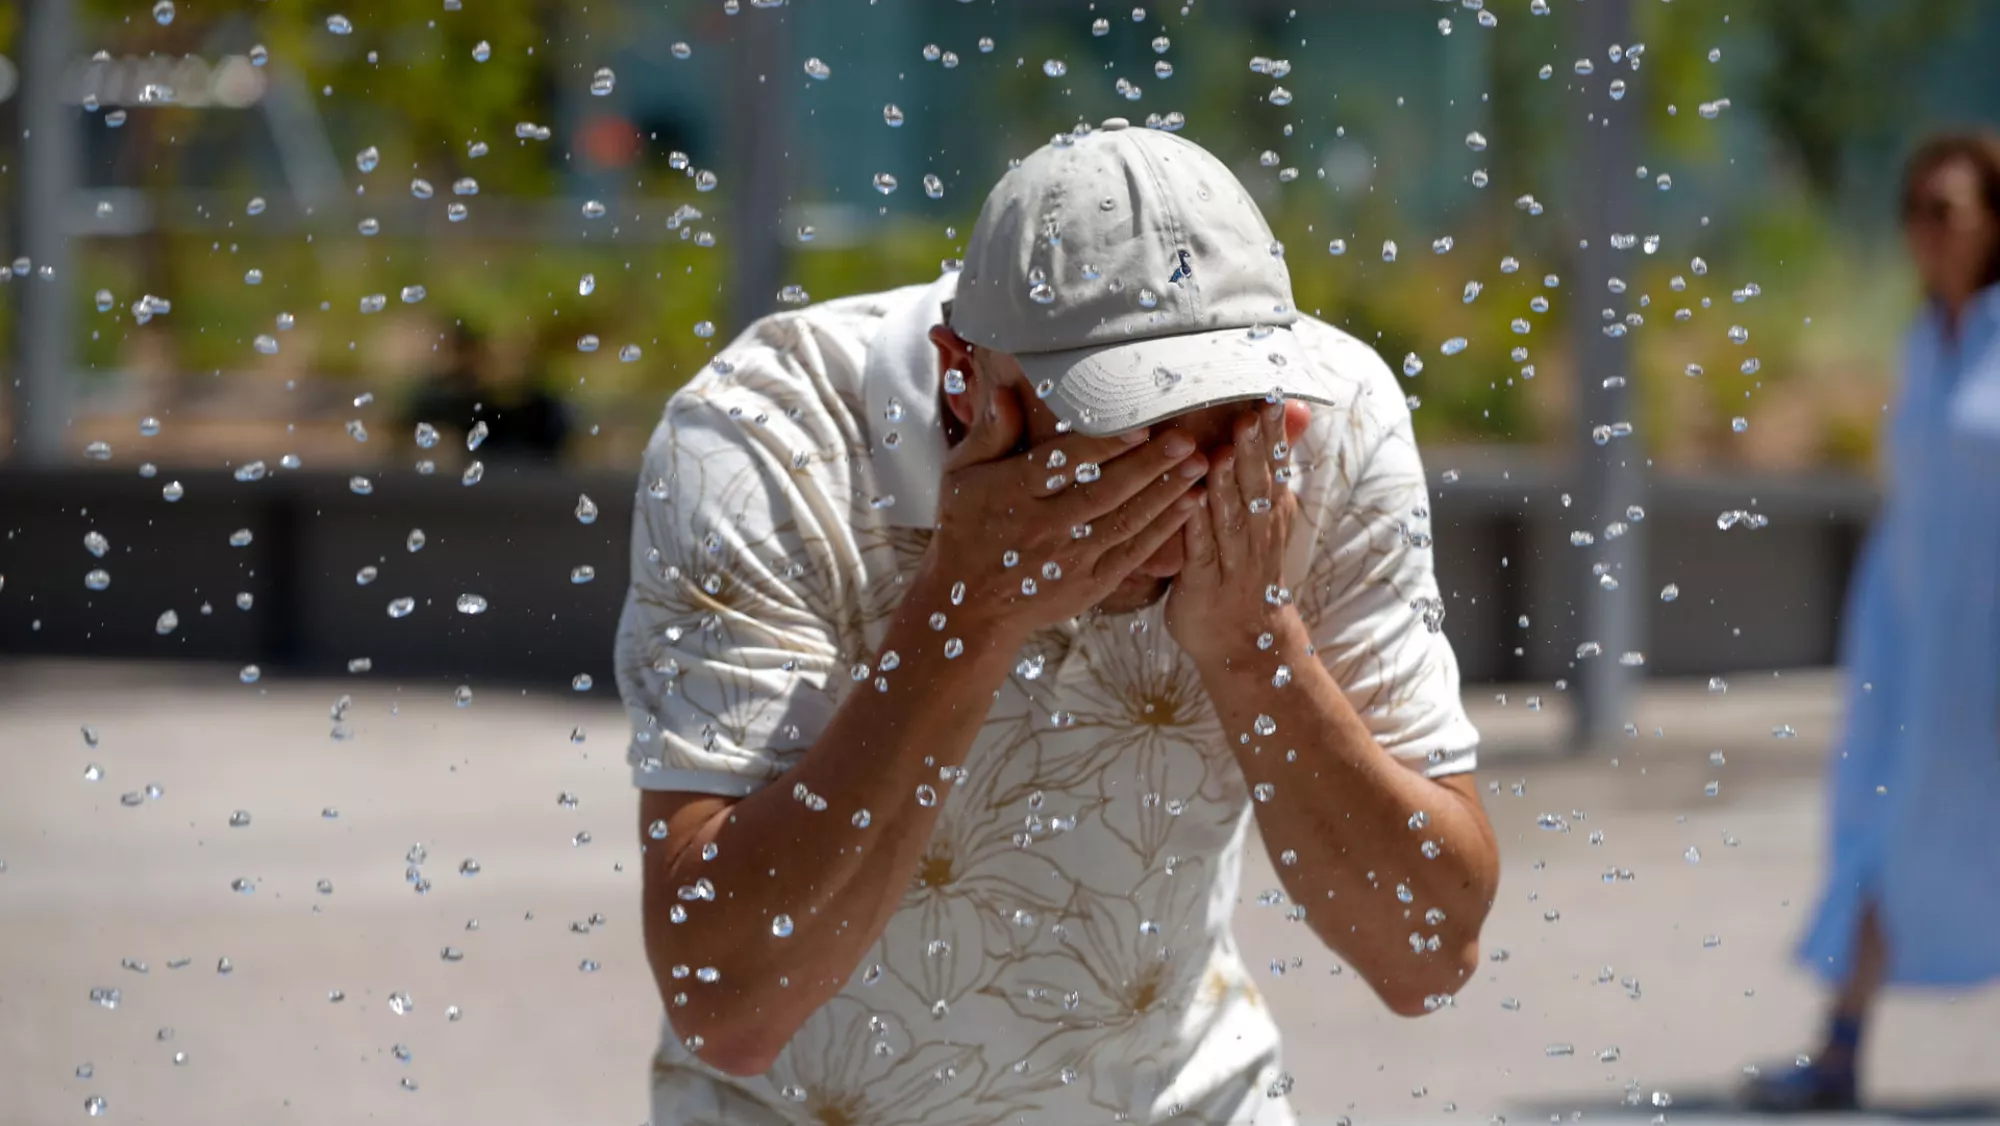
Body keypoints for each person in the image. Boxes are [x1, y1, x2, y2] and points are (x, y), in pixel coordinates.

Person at [615, 117, 1500, 1126]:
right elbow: (723, 1003)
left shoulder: (1326, 424)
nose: (1171, 500)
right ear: (964, 379)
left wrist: (1257, 648)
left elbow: (1428, 955)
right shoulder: (765, 437)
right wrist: (963, 609)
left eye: (1216, 423)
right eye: (1119, 431)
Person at [1744, 132, 2000, 1112]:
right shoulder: (1916, 340)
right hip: (1909, 634)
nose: (1924, 234)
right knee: (1878, 819)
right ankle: (1839, 1047)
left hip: (1987, 635)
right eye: (1912, 213)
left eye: (1945, 212)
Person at [403, 322, 570, 461]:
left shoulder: (545, 409)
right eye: (501, 357)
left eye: (514, 356)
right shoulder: (456, 404)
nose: (509, 365)